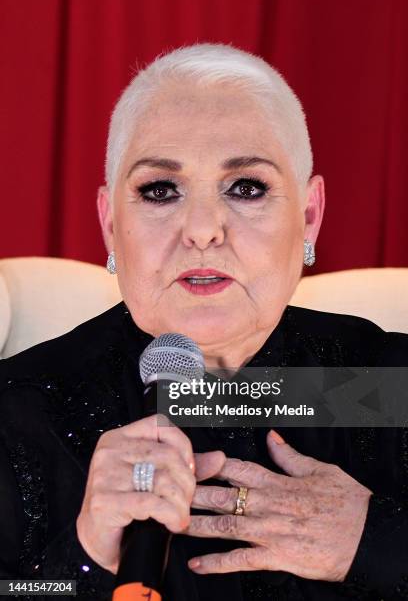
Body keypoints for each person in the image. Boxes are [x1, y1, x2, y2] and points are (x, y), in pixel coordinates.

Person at [0, 43, 407, 601]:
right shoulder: (19, 409)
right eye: (160, 191)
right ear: (111, 224)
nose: (202, 229)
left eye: (246, 187)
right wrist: (87, 556)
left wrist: (372, 543)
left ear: (308, 217)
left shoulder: (389, 385)